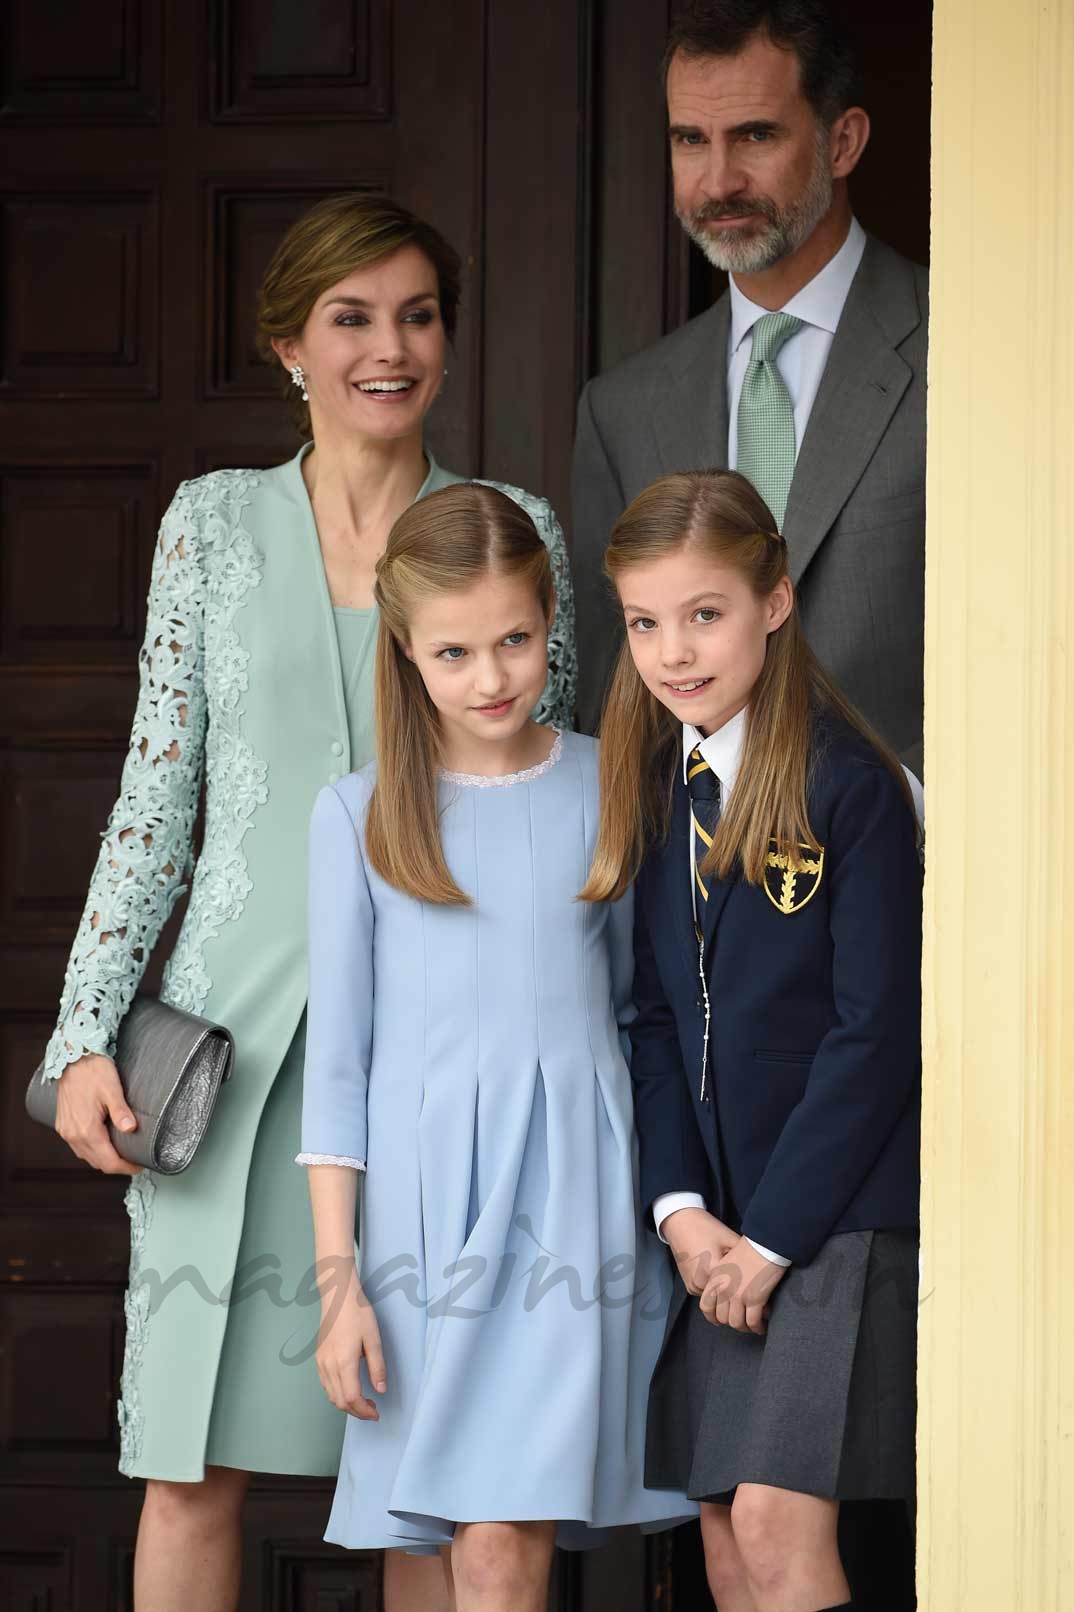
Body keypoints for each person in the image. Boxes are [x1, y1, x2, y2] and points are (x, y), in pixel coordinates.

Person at [41, 193, 575, 1612]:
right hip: (228, 1056)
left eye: (414, 314)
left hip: (432, 1071)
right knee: (186, 1466)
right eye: (350, 316)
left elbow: (537, 800)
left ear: (448, 341)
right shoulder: (211, 526)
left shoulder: (507, 530)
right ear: (289, 343)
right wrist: (84, 1030)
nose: (386, 348)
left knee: (424, 1484)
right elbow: (156, 796)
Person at [299, 482, 693, 1610]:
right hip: (426, 1222)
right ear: (407, 651)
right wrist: (339, 1287)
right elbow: (340, 1070)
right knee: (467, 1550)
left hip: (572, 1200)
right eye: (456, 651)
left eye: (516, 639)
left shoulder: (609, 781)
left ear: (553, 617)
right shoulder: (360, 816)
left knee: (502, 1544)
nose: (492, 677)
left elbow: (636, 1012)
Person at [580, 469, 921, 1612]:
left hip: (827, 1219)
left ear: (775, 599)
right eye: (644, 622)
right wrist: (681, 1213)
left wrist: (769, 1239)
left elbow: (875, 1036)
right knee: (725, 1537)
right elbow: (657, 1021)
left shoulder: (848, 785)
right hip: (717, 1225)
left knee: (777, 1527)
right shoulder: (653, 782)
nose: (674, 651)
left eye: (705, 613)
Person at [571, 0, 927, 778]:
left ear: (843, 141)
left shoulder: (967, 353)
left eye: (756, 136)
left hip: (919, 863)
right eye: (690, 140)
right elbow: (610, 696)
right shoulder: (621, 407)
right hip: (693, 877)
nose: (719, 180)